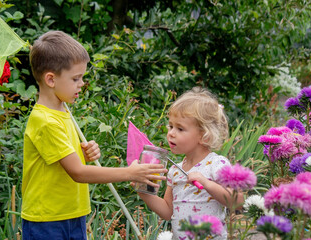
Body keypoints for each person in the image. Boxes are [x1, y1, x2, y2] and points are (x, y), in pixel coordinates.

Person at [21, 30, 168, 240]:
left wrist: (84, 154)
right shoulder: (45, 121)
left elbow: (63, 161)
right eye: (76, 78)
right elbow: (78, 173)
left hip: (72, 213)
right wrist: (130, 173)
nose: (81, 84)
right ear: (51, 80)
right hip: (47, 219)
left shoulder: (62, 110)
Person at [136, 87, 244, 240]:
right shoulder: (175, 170)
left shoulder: (217, 164)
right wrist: (143, 192)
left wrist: (206, 183)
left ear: (204, 136)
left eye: (180, 128)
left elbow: (237, 201)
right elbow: (167, 211)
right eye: (171, 126)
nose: (171, 133)